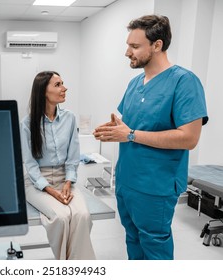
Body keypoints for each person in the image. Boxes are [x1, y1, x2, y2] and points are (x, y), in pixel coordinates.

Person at [93, 14, 208, 260]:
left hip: (155, 185)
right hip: (126, 180)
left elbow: (189, 138)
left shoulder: (184, 82)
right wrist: (115, 131)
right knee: (132, 240)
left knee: (154, 246)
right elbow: (131, 127)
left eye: (134, 46)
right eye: (128, 45)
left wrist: (131, 134)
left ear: (157, 45)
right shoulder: (135, 84)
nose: (127, 52)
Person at [21, 71, 96, 260]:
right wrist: (50, 190)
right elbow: (29, 164)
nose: (64, 88)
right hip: (36, 182)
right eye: (58, 85)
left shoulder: (69, 118)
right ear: (43, 92)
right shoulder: (28, 123)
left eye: (63, 83)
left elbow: (73, 156)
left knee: (82, 215)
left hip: (64, 179)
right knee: (61, 218)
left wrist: (69, 182)